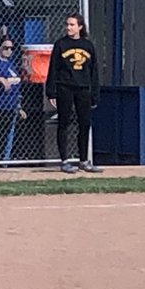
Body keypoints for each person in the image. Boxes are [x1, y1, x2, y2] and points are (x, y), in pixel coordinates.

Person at [44, 14, 102, 174]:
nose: (69, 27)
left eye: (72, 25)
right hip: (65, 88)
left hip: (83, 88)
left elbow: (94, 72)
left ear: (80, 27)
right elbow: (53, 69)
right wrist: (51, 92)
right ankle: (64, 160)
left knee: (84, 124)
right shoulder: (61, 44)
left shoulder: (88, 45)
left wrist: (95, 93)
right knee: (64, 123)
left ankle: (83, 160)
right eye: (67, 24)